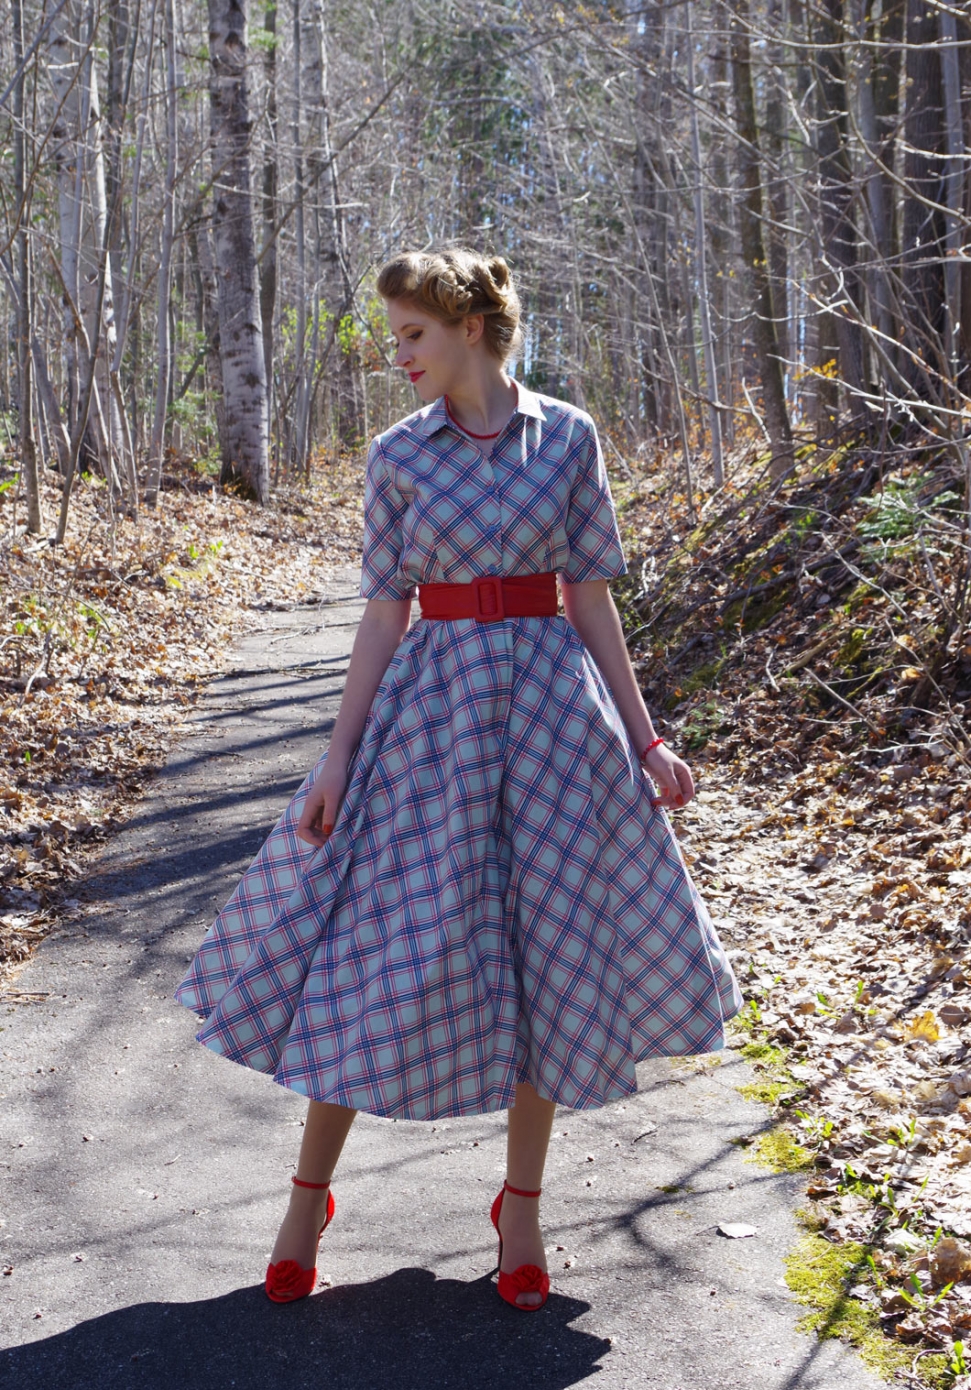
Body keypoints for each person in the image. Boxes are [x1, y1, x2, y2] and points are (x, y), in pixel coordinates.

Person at [176, 247, 741, 1311]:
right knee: (366, 949)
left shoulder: (568, 435)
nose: (396, 356)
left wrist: (646, 737)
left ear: (469, 328)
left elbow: (590, 598)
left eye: (411, 336)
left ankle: (518, 1207)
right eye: (394, 337)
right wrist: (336, 755)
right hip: (426, 722)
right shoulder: (396, 456)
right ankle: (306, 1198)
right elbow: (385, 608)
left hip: (551, 722)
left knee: (549, 957)